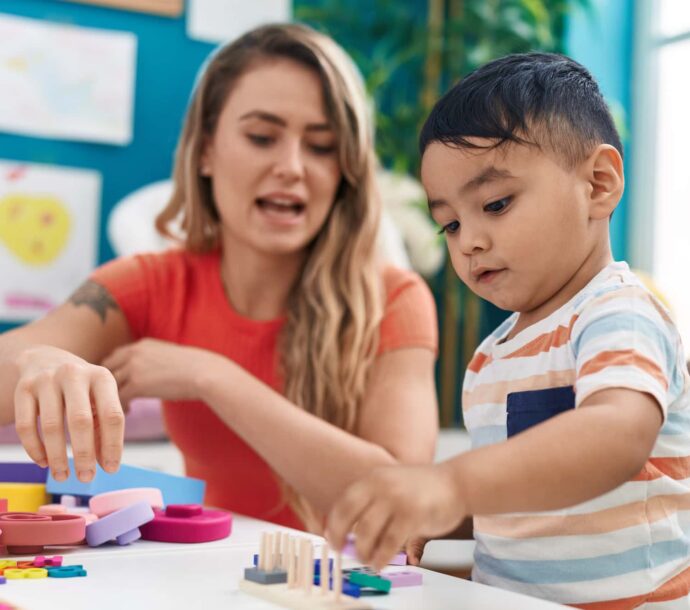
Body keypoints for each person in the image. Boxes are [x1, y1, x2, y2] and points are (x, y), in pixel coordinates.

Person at [0, 23, 439, 531]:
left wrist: (212, 377)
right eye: (261, 137)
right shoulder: (151, 283)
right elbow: (19, 360)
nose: (292, 167)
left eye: (321, 146)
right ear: (206, 149)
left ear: (346, 169)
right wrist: (35, 358)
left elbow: (405, 499)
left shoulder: (396, 300)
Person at [326, 52, 690, 608]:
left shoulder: (620, 312)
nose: (468, 240)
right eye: (449, 222)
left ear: (598, 184)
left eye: (495, 204)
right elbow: (531, 505)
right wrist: (444, 514)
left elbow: (615, 436)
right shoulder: (494, 355)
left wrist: (449, 483)